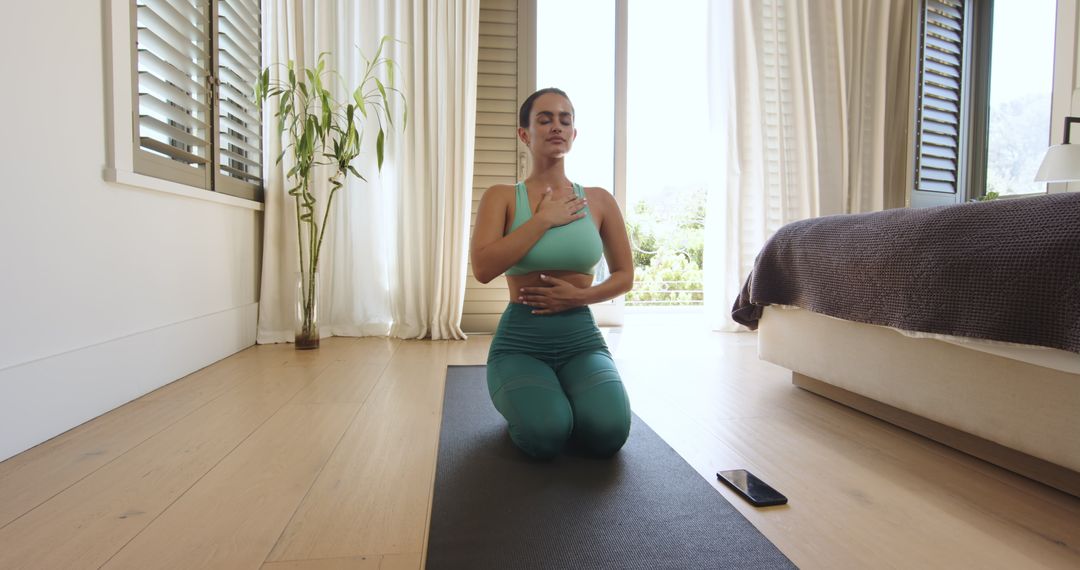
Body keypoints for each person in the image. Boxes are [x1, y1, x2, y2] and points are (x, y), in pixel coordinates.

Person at [470, 87, 635, 459]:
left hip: (582, 340)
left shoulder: (599, 200)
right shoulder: (502, 197)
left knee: (609, 433)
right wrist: (543, 219)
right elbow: (483, 268)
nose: (556, 126)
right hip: (520, 344)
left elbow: (625, 275)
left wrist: (581, 297)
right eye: (544, 119)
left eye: (565, 119)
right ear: (524, 134)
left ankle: (566, 399)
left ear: (574, 135)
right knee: (546, 436)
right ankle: (544, 405)